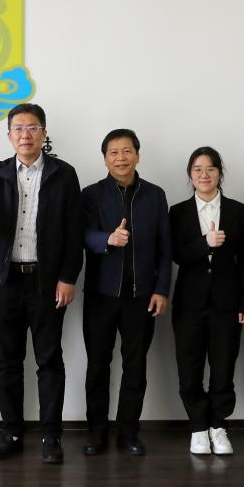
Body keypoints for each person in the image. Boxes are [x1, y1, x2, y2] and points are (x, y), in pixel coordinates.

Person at [0, 103, 83, 465]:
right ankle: (12, 432)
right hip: (6, 282)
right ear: (9, 136)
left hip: (47, 282)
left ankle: (51, 435)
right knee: (8, 360)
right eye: (18, 129)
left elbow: (74, 232)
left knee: (49, 360)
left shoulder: (64, 174)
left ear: (44, 134)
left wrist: (68, 277)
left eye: (32, 128)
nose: (25, 135)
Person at [80, 129, 171, 457]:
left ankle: (129, 432)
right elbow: (82, 235)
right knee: (97, 365)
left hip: (141, 297)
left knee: (136, 366)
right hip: (100, 295)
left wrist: (161, 289)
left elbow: (165, 247)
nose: (121, 158)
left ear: (137, 155)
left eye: (127, 151)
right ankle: (96, 432)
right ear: (105, 159)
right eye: (114, 152)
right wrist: (107, 239)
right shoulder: (91, 194)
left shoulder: (155, 195)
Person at [169, 146, 244, 456]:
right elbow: (176, 254)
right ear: (190, 175)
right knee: (189, 368)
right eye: (197, 169)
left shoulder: (237, 210)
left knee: (223, 367)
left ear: (220, 173)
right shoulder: (178, 211)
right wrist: (204, 243)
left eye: (210, 169)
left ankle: (218, 425)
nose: (204, 175)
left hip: (226, 303)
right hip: (189, 303)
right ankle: (198, 427)